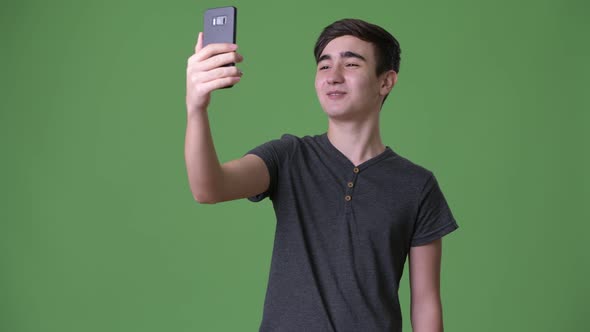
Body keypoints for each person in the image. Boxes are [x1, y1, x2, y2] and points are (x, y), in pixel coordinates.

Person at [185, 18, 459, 332]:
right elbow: (209, 188)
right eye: (324, 66)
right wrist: (196, 108)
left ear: (386, 82)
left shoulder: (417, 185)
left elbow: (425, 303)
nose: (333, 77)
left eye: (351, 64)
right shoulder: (287, 157)